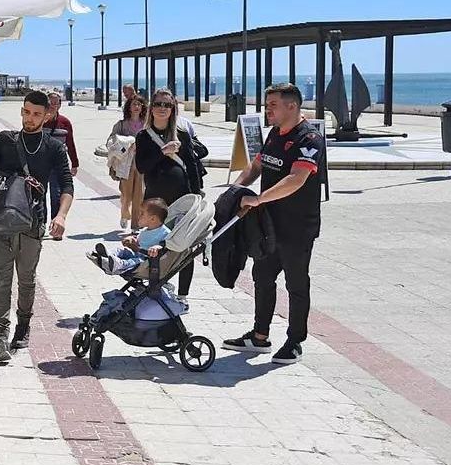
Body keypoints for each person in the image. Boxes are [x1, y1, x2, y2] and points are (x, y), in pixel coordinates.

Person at [222, 83, 324, 364]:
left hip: (297, 227)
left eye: (273, 105)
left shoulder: (309, 139)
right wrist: (235, 190)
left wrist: (259, 199)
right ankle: (260, 336)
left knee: (296, 283)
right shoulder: (274, 134)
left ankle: (295, 341)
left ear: (292, 106)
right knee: (262, 277)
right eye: (267, 105)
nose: (267, 110)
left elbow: (296, 178)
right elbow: (256, 165)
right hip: (268, 225)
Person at [0, 91, 74, 361]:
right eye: (27, 112)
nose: (30, 118)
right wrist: (8, 180)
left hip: (33, 223)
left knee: (27, 278)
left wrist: (61, 216)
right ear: (21, 111)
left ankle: (23, 326)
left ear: (47, 116)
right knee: (1, 278)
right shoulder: (5, 140)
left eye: (37, 114)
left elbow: (67, 185)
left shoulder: (54, 148)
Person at [133, 89, 206, 301]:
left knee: (184, 247)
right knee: (153, 245)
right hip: (156, 200)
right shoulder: (144, 136)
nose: (162, 108)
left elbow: (192, 167)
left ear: (173, 108)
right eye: (158, 104)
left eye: (167, 104)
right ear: (151, 108)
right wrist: (162, 152)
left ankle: (182, 295)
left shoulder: (182, 134)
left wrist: (196, 197)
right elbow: (142, 166)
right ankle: (156, 289)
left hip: (182, 198)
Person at [92, 197, 170, 275]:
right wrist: (132, 239)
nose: (139, 215)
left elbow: (168, 244)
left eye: (142, 213)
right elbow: (139, 240)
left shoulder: (165, 232)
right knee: (122, 251)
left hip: (146, 260)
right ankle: (108, 255)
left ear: (153, 219)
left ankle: (119, 264)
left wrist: (158, 247)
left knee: (135, 261)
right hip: (135, 252)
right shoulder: (146, 230)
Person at [110, 96, 148, 229]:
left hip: (141, 163)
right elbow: (111, 141)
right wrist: (127, 143)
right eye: (134, 104)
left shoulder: (147, 124)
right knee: (126, 194)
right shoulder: (121, 124)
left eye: (139, 104)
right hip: (125, 164)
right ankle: (125, 213)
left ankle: (135, 225)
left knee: (139, 195)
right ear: (129, 107)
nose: (137, 107)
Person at [45, 91, 81, 219]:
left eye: (56, 103)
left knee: (56, 194)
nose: (53, 106)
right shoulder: (40, 120)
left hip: (58, 164)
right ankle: (40, 223)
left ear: (60, 105)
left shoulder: (65, 122)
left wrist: (75, 164)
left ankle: (55, 223)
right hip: (41, 163)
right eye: (51, 103)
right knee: (39, 194)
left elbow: (70, 143)